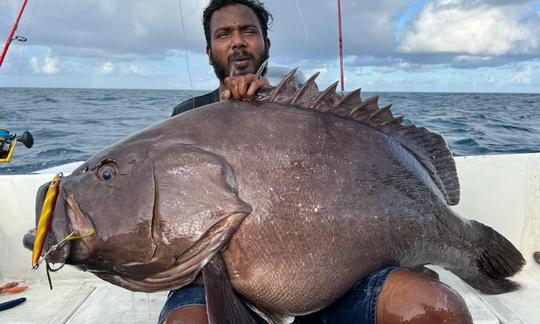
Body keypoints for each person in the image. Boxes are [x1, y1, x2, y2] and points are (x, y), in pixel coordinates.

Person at [162, 1, 474, 323]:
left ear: (266, 44)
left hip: (334, 284)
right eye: (224, 34)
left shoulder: (309, 110)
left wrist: (278, 105)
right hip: (218, 284)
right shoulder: (184, 120)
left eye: (249, 31)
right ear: (210, 50)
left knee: (439, 308)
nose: (237, 41)